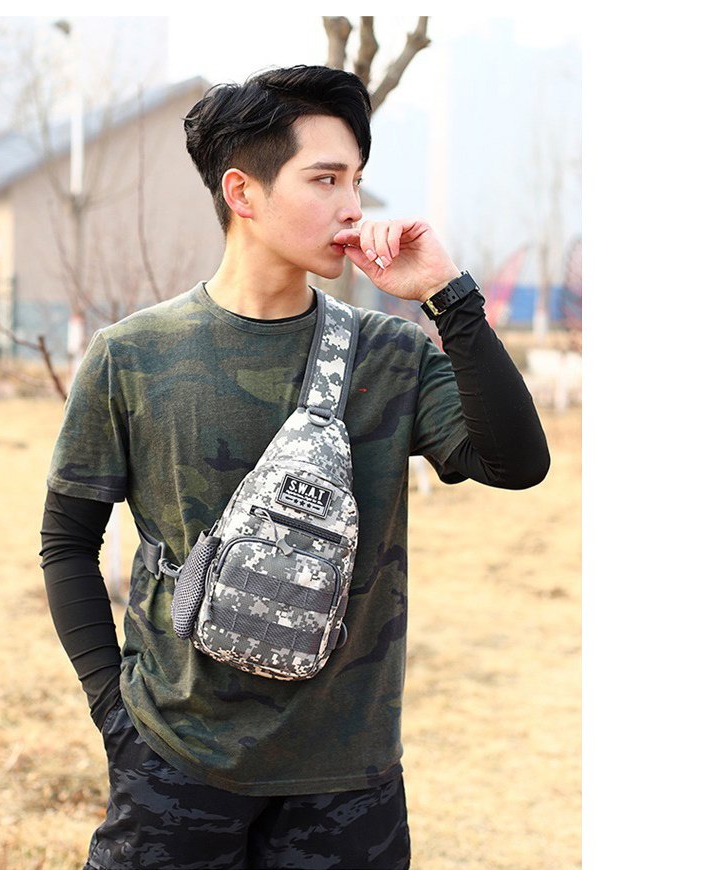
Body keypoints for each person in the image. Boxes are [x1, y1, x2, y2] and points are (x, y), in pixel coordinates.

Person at [39, 64, 549, 870]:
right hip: (175, 761)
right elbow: (67, 543)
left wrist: (447, 296)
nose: (353, 206)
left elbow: (517, 463)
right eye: (325, 179)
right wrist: (116, 718)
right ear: (243, 193)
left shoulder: (389, 354)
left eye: (357, 181)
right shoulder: (133, 355)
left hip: (347, 780)